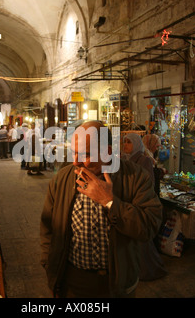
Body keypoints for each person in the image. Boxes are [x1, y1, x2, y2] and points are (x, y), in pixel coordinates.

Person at [40, 121, 163, 298]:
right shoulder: (63, 179)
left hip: (116, 283)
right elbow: (48, 229)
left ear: (108, 151)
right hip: (73, 282)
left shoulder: (135, 177)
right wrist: (50, 271)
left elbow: (149, 226)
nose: (76, 161)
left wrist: (110, 202)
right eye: (74, 152)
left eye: (86, 154)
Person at [122, 133, 167, 282]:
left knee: (140, 241)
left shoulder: (144, 160)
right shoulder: (124, 159)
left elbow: (148, 184)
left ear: (136, 144)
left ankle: (145, 270)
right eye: (125, 142)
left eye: (129, 142)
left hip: (139, 203)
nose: (126, 145)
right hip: (127, 202)